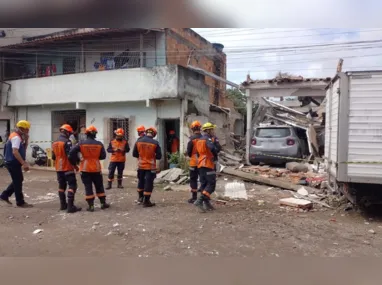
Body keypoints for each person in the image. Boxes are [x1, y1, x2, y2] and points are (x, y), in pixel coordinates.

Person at [69, 125, 110, 212]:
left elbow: (71, 152)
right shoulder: (99, 144)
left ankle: (91, 206)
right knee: (99, 186)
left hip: (85, 168)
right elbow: (103, 156)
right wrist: (95, 157)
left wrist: (75, 161)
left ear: (86, 134)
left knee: (88, 187)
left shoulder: (81, 143)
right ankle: (103, 203)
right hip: (96, 168)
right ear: (95, 134)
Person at [0, 120, 33, 207]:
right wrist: (23, 163)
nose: (28, 131)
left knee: (18, 180)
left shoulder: (18, 137)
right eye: (27, 129)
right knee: (18, 181)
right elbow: (15, 152)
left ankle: (5, 195)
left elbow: (23, 150)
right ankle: (20, 202)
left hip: (13, 162)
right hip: (12, 162)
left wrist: (26, 140)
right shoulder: (16, 138)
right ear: (22, 128)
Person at [52, 124, 82, 213]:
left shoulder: (55, 142)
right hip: (67, 167)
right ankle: (70, 206)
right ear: (67, 132)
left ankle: (63, 205)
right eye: (69, 133)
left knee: (62, 186)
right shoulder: (67, 142)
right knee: (72, 185)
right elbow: (70, 156)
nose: (70, 134)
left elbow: (53, 157)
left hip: (58, 168)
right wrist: (75, 166)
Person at [132, 127, 162, 207]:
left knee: (141, 181)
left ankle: (140, 198)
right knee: (149, 183)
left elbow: (134, 154)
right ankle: (147, 201)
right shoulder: (155, 143)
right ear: (154, 134)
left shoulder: (138, 141)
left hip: (141, 166)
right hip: (150, 167)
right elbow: (159, 156)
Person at [194, 122, 218, 213]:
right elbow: (212, 148)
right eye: (212, 129)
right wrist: (215, 156)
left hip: (200, 164)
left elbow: (197, 153)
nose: (213, 131)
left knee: (204, 184)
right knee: (211, 184)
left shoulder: (199, 139)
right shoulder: (207, 139)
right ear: (208, 130)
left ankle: (206, 203)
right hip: (208, 163)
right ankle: (200, 201)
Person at [186, 120, 202, 204]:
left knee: (193, 180)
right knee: (203, 179)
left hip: (193, 163)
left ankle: (194, 197)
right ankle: (204, 197)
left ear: (192, 129)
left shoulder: (191, 139)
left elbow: (189, 152)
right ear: (200, 128)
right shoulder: (204, 138)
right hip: (203, 163)